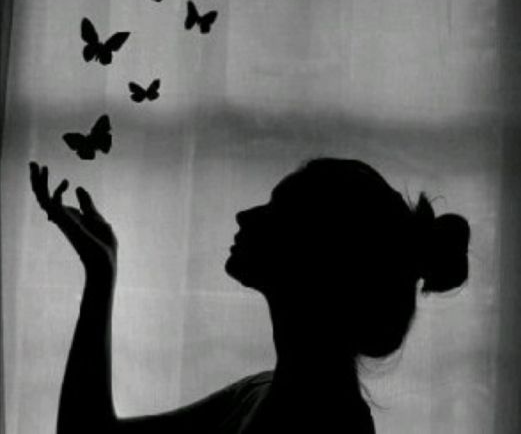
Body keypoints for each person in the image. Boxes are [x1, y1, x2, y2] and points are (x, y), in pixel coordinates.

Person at [29, 158, 470, 433]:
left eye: (278, 209)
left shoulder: (328, 427)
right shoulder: (262, 391)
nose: (245, 215)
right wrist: (101, 270)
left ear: (320, 255)